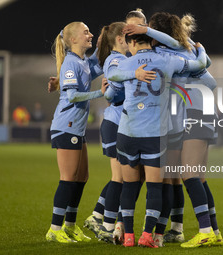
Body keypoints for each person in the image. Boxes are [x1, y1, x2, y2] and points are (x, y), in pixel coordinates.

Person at [123, 12, 223, 248]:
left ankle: (205, 230)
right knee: (197, 177)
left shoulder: (166, 53)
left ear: (157, 34)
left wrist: (144, 33)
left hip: (194, 116)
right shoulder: (185, 50)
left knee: (187, 175)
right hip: (203, 113)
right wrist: (200, 59)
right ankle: (213, 230)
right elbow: (210, 81)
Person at [107, 31, 207, 248]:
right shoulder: (168, 60)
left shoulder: (126, 63)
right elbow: (199, 64)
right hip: (155, 134)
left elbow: (112, 77)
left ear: (132, 42)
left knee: (129, 186)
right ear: (151, 41)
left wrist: (134, 73)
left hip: (127, 132)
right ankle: (147, 235)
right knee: (155, 187)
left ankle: (129, 237)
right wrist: (200, 49)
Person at [83, 9, 149, 244]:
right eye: (128, 34)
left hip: (124, 123)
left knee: (129, 178)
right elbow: (115, 85)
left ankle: (105, 219)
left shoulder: (124, 58)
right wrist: (133, 75)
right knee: (121, 178)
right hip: (115, 122)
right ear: (121, 38)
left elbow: (112, 86)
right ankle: (109, 225)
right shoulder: (116, 59)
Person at [45, 21, 108, 243]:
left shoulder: (81, 61)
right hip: (66, 125)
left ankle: (70, 226)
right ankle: (54, 229)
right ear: (73, 40)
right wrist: (98, 94)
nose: (89, 34)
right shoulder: (70, 63)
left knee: (81, 177)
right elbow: (71, 96)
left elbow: (97, 65)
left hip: (76, 127)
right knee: (68, 178)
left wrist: (102, 45)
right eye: (86, 32)